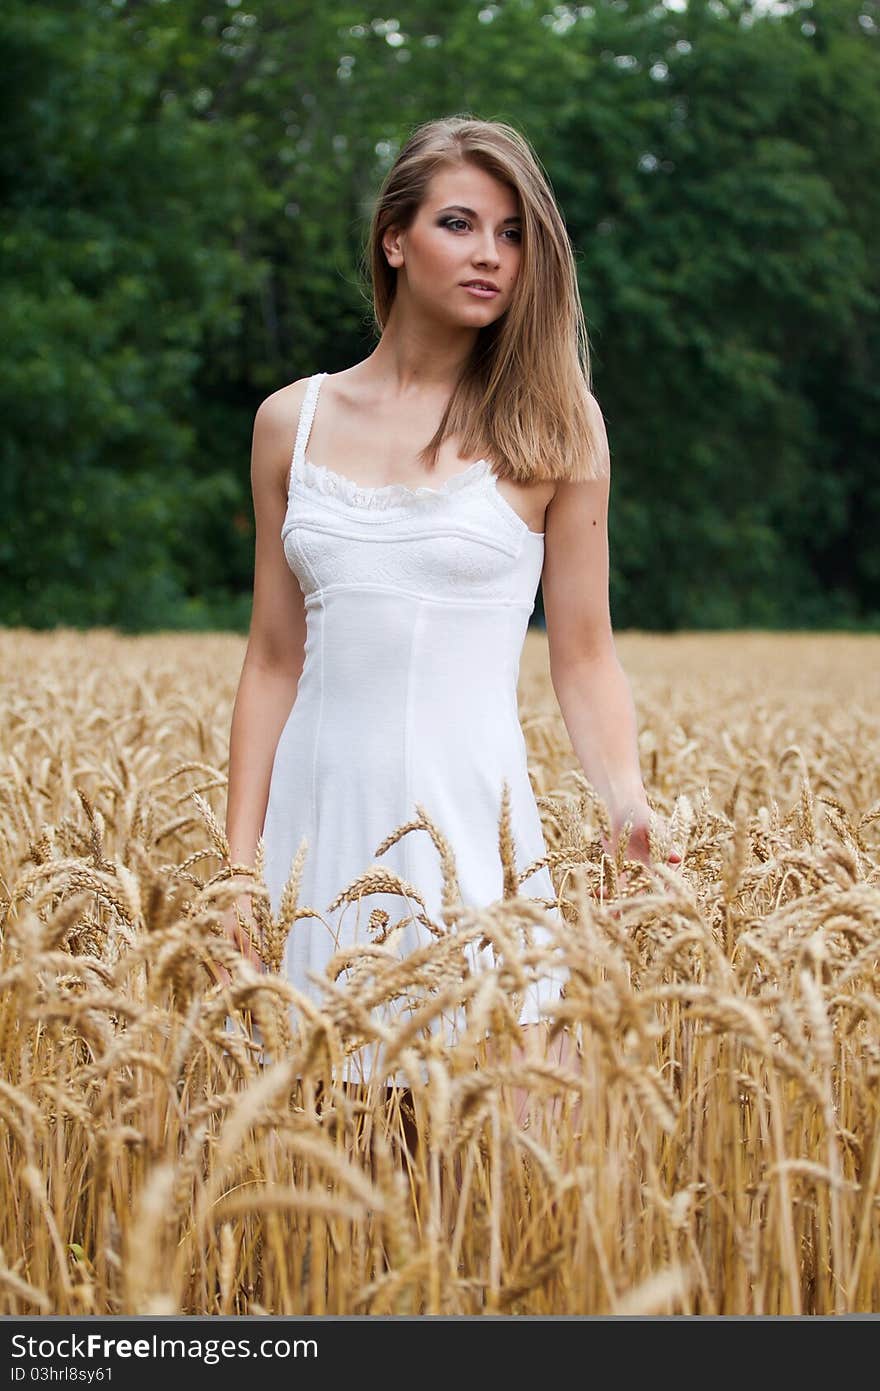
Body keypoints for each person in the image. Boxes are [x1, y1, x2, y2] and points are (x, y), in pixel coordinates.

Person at [220, 114, 681, 1092]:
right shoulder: (287, 426)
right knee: (310, 1154)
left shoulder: (553, 424)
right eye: (461, 224)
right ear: (395, 238)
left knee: (489, 1174)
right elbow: (270, 658)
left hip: (475, 840)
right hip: (313, 839)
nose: (491, 255)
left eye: (513, 234)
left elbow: (584, 652)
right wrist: (235, 866)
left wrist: (624, 799)